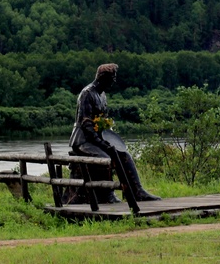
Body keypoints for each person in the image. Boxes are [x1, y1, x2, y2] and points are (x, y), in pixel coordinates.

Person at [68, 63, 160, 203]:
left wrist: (109, 139)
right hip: (83, 141)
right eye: (112, 78)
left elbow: (103, 121)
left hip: (97, 138)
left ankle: (137, 191)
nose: (114, 81)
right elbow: (86, 124)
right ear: (103, 78)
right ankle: (106, 194)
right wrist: (102, 144)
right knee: (105, 158)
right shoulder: (87, 94)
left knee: (124, 154)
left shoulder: (103, 95)